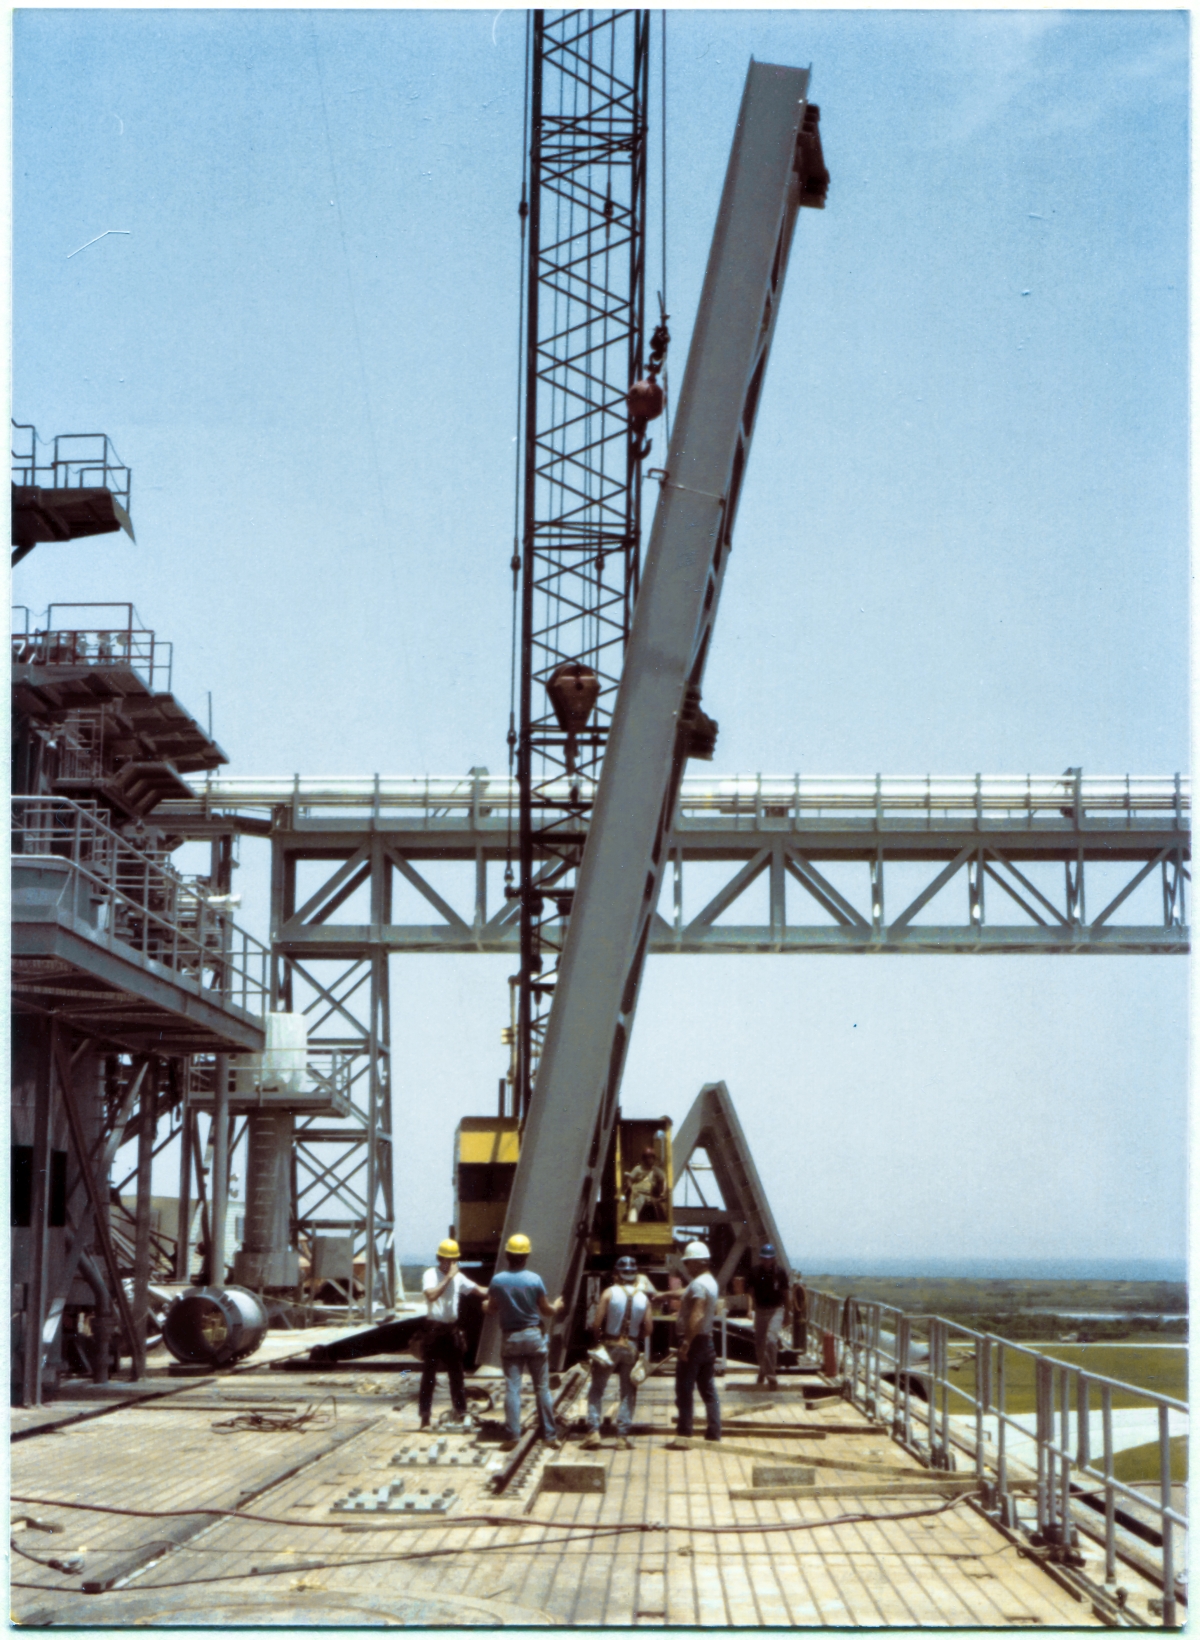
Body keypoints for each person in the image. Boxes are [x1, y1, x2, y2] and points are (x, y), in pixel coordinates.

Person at [485, 1232, 565, 1449]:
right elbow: (547, 1310)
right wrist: (557, 1306)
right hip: (533, 1337)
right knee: (542, 1388)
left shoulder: (498, 1280)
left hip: (511, 1338)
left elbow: (491, 1308)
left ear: (507, 1255)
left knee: (513, 1388)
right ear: (526, 1256)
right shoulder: (534, 1279)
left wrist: (485, 1305)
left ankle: (512, 1435)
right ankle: (550, 1435)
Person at [583, 1255, 652, 1451]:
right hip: (630, 1348)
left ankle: (594, 1433)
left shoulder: (608, 1293)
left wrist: (599, 1340)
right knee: (628, 1392)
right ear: (634, 1275)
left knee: (597, 1390)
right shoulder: (643, 1298)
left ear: (617, 1274)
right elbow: (648, 1330)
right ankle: (622, 1437)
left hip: (610, 1345)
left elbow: (596, 1324)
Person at [419, 1238, 487, 1430]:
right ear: (440, 1258)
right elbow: (431, 1295)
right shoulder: (431, 1274)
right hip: (433, 1330)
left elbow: (479, 1290)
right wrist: (448, 1277)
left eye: (453, 1260)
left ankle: (460, 1411)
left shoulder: (458, 1277)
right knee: (429, 1376)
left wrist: (501, 1289)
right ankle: (425, 1416)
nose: (449, 1263)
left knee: (457, 1375)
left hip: (451, 1330)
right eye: (446, 1259)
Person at [666, 1240, 721, 1447]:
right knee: (708, 1389)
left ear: (698, 1262)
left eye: (688, 1262)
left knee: (684, 1389)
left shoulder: (699, 1284)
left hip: (695, 1343)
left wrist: (686, 1343)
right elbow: (687, 1292)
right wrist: (665, 1295)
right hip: (707, 1341)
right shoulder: (710, 1282)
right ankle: (714, 1432)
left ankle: (684, 1434)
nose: (686, 1266)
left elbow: (697, 1313)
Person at [750, 1243, 792, 1390]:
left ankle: (770, 1375)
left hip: (776, 1310)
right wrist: (751, 1309)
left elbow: (786, 1294)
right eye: (764, 1259)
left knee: (771, 1340)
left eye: (769, 1259)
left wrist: (788, 1314)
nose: (766, 1261)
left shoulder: (780, 1273)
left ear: (773, 1259)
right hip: (761, 1310)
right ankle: (763, 1370)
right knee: (760, 1344)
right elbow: (751, 1292)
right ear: (761, 1259)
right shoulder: (755, 1272)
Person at [624, 1146, 666, 1223]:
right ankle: (631, 1225)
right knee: (635, 1207)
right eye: (646, 1157)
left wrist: (661, 1194)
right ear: (643, 1159)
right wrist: (630, 1189)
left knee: (659, 1210)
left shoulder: (657, 1171)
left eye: (650, 1157)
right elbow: (629, 1179)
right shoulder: (638, 1169)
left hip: (650, 1196)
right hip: (637, 1195)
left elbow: (662, 1181)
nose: (648, 1159)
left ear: (654, 1159)